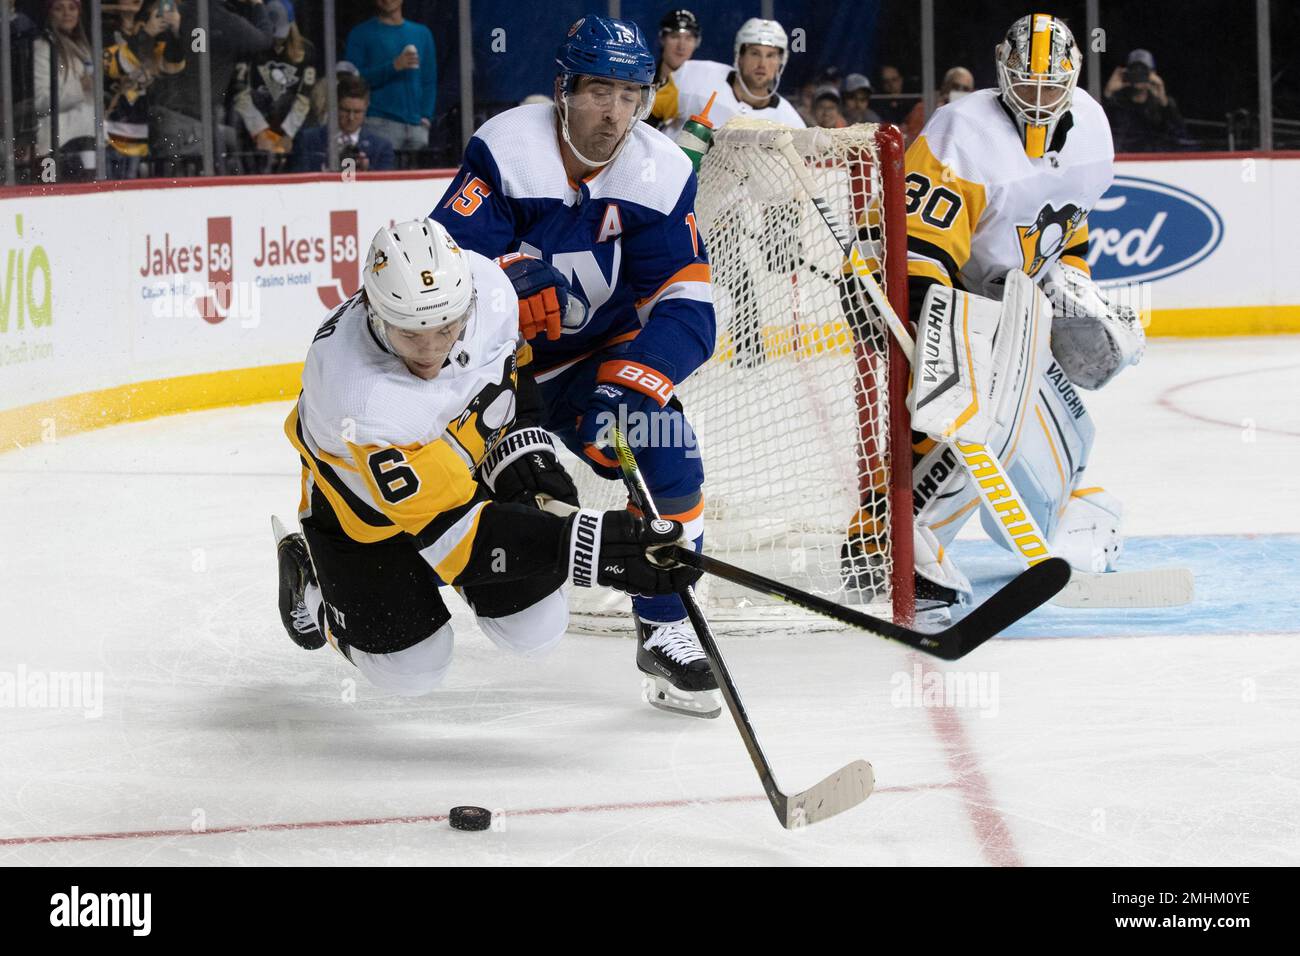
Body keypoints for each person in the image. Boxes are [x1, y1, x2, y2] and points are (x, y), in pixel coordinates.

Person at [429, 16, 722, 718]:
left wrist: (635, 378)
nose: (614, 113)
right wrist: (502, 276)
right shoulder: (505, 152)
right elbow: (442, 263)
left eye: (630, 94)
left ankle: (665, 624)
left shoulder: (659, 172)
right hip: (499, 373)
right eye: (599, 92)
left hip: (598, 365)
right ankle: (344, 560)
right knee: (451, 507)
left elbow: (688, 302)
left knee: (668, 449)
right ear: (563, 90)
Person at [275, 218, 698, 698]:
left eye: (446, 328)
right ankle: (312, 584)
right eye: (411, 334)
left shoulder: (491, 290)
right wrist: (593, 547)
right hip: (362, 515)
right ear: (373, 311)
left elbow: (510, 379)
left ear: (468, 300)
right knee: (412, 670)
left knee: (537, 628)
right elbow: (458, 538)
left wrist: (526, 462)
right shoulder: (360, 399)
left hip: (453, 470)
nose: (432, 351)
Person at [897, 13, 1144, 612]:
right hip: (939, 294)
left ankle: (1049, 514)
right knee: (960, 418)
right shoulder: (961, 134)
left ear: (1074, 79)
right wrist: (957, 337)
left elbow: (1069, 228)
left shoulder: (1092, 128)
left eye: (1049, 88)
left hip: (1019, 304)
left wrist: (1070, 289)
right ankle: (896, 540)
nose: (1036, 101)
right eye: (1024, 85)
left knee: (1057, 423)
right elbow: (918, 256)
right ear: (1001, 71)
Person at [650, 16, 805, 138]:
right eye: (755, 53)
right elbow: (648, 113)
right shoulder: (698, 77)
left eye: (770, 56)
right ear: (740, 57)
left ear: (781, 62)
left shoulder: (790, 123)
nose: (762, 64)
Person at [102, 0, 186, 180]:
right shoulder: (106, 33)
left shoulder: (158, 44)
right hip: (110, 133)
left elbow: (174, 66)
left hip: (145, 135)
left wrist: (175, 31)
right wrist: (146, 33)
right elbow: (115, 65)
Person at [229, 0, 317, 169]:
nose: (276, 41)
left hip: (290, 119)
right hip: (256, 117)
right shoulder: (250, 46)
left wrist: (288, 134)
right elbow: (240, 94)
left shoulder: (306, 51)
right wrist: (259, 131)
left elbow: (304, 98)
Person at [344, 0, 436, 153]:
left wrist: (425, 117)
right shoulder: (360, 34)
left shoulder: (422, 33)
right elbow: (353, 82)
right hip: (378, 123)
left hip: (417, 127)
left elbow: (429, 80)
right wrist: (393, 67)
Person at [33, 0, 96, 179]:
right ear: (49, 13)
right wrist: (80, 87)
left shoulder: (84, 47)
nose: (67, 13)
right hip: (55, 145)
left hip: (86, 141)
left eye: (72, 7)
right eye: (59, 8)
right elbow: (41, 102)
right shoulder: (43, 48)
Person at [291, 73, 395, 172]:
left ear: (366, 107)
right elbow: (297, 181)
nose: (351, 117)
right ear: (335, 106)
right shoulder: (308, 140)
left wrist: (366, 170)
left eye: (357, 112)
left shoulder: (382, 147)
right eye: (345, 110)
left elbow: (384, 187)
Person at [1103, 49, 1185, 152]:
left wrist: (1164, 102)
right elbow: (1101, 132)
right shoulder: (1117, 104)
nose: (1138, 74)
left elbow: (1180, 137)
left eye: (1143, 71)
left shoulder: (1159, 106)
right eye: (1134, 70)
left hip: (1155, 160)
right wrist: (1108, 94)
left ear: (1152, 75)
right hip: (1125, 159)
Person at [903, 65, 972, 144]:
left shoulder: (971, 115)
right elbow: (914, 141)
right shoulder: (924, 108)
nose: (960, 91)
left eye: (965, 89)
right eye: (955, 87)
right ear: (944, 86)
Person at [654, 8, 699, 87]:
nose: (681, 46)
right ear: (662, 39)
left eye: (688, 38)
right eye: (675, 36)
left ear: (696, 43)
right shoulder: (639, 85)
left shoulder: (701, 89)